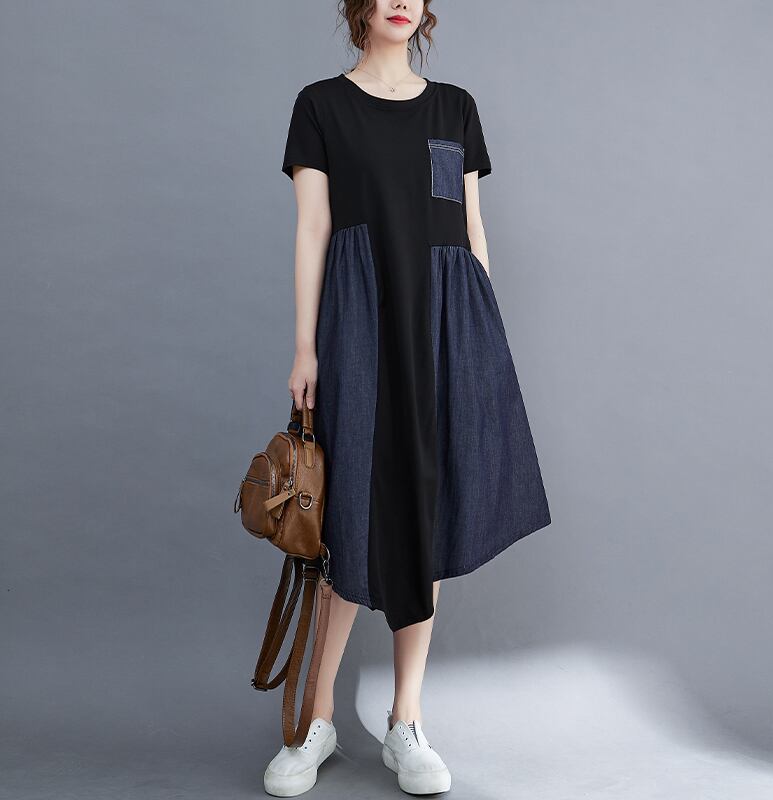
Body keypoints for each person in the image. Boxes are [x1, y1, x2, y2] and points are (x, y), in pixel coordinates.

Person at [264, 1, 551, 795]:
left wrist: (480, 339)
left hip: (447, 327)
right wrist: (305, 347)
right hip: (360, 321)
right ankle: (316, 719)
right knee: (348, 514)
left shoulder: (454, 107)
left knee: (426, 510)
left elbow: (472, 230)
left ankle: (406, 720)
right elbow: (313, 230)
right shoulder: (321, 106)